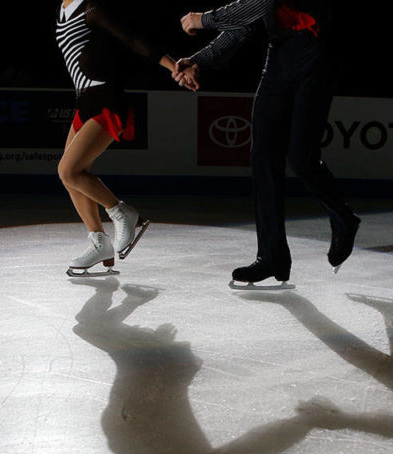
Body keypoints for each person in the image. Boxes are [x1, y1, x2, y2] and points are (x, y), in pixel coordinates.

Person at [174, 0, 360, 285]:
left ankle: (343, 218)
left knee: (301, 157)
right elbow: (245, 22)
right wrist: (201, 59)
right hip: (280, 53)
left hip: (316, 51)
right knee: (262, 155)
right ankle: (272, 256)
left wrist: (204, 19)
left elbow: (263, 2)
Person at [57, 0, 195, 276]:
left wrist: (173, 66)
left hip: (106, 98)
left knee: (69, 171)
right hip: (84, 102)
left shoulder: (91, 8)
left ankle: (122, 213)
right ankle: (99, 243)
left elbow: (132, 40)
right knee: (71, 176)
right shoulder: (63, 9)